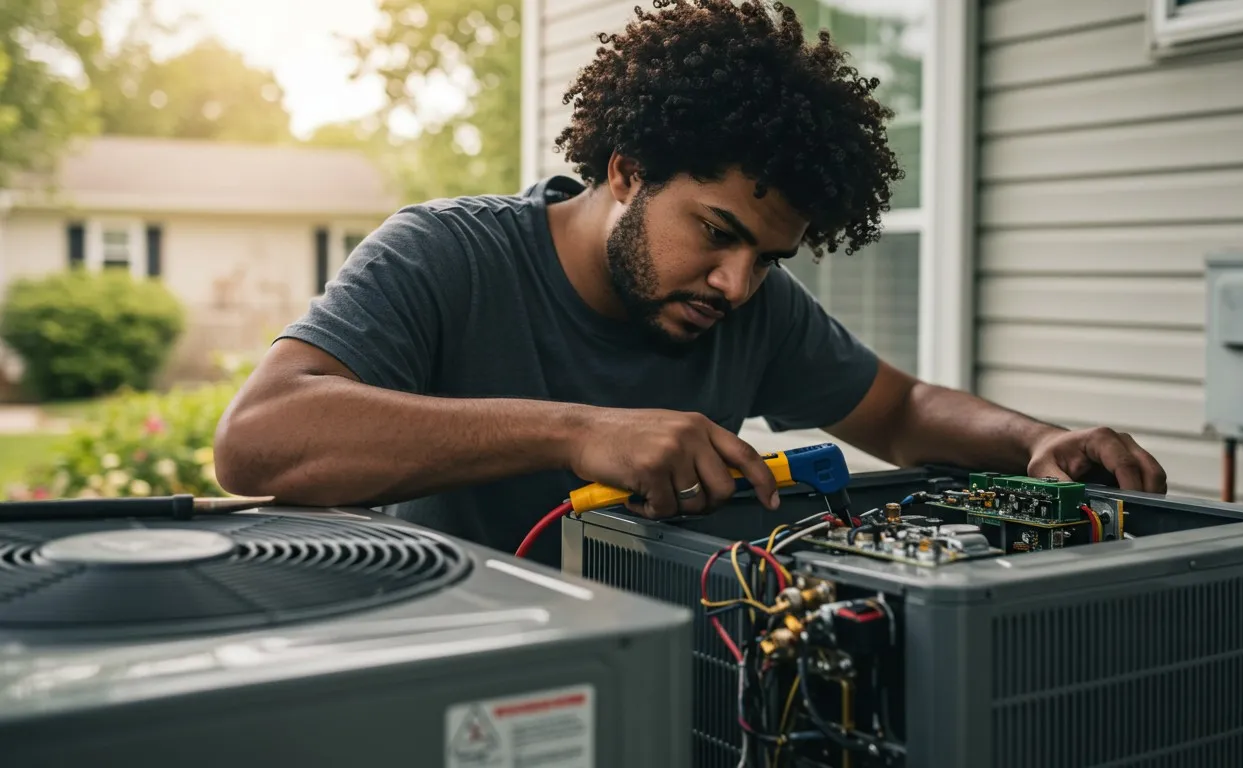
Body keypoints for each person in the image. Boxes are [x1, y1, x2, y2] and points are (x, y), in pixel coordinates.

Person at [213, 0, 1167, 566]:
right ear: (627, 170)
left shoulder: (748, 306)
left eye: (771, 258)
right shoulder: (444, 255)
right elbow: (259, 444)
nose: (738, 283)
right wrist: (578, 428)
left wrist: (1040, 438)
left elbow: (906, 408)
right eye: (718, 232)